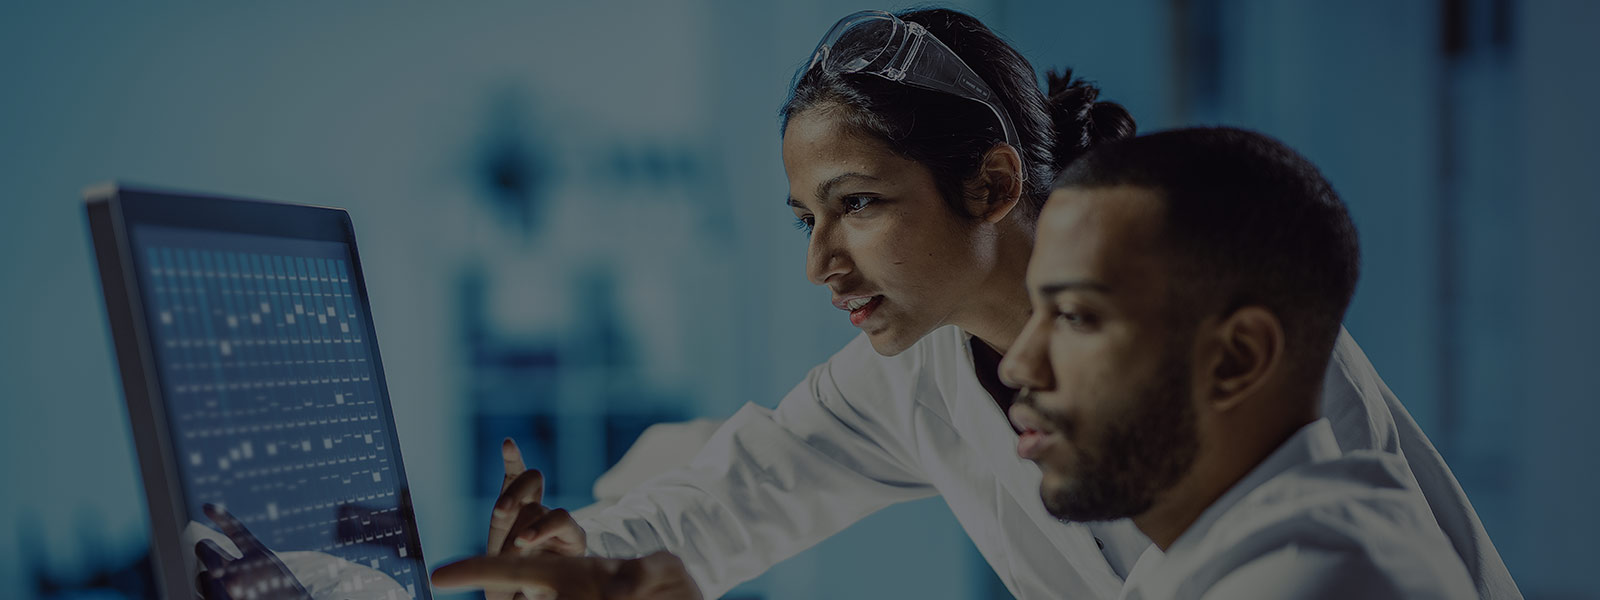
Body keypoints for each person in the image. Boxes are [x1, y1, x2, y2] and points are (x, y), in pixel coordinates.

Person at [445, 8, 1517, 600]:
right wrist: (577, 557)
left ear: (995, 188)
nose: (820, 263)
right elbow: (740, 492)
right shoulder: (916, 370)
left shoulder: (1224, 359)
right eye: (803, 219)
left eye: (857, 205)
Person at [999, 126, 1481, 598]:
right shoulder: (1204, 560)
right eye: (1035, 312)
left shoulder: (1321, 581)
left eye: (1076, 316)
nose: (1017, 366)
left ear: (1237, 358)